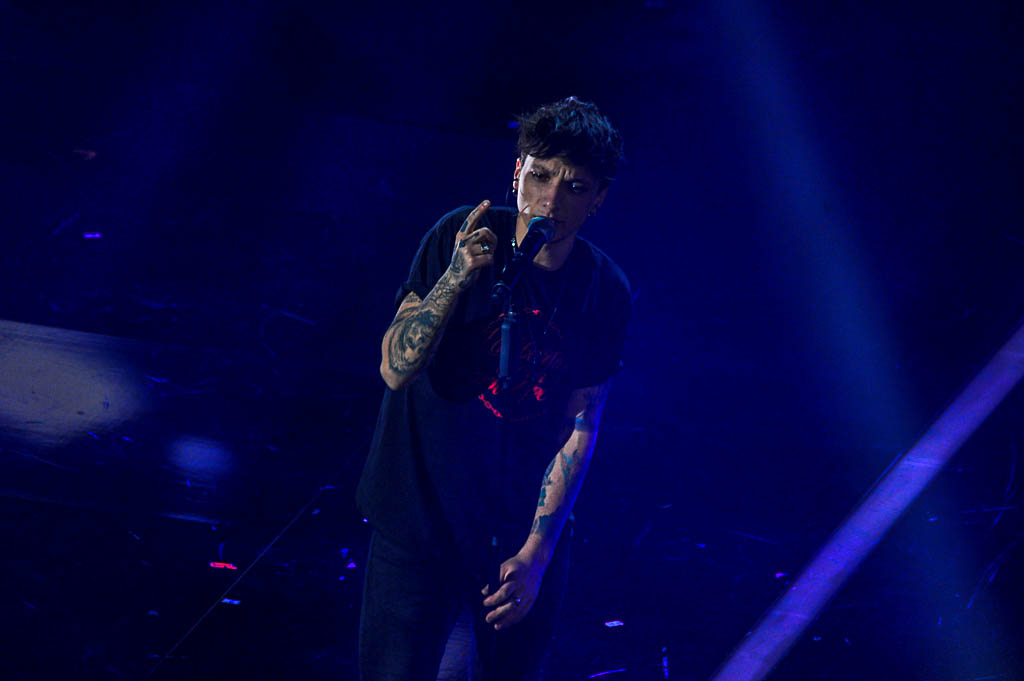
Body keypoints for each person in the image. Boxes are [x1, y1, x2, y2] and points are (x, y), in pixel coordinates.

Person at [356, 96, 630, 680]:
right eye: (541, 176)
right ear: (517, 171)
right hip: (418, 520)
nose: (550, 201)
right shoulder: (460, 234)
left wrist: (537, 554)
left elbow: (581, 428)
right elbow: (395, 368)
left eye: (575, 187)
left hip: (513, 536)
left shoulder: (603, 288)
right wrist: (457, 276)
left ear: (598, 199)